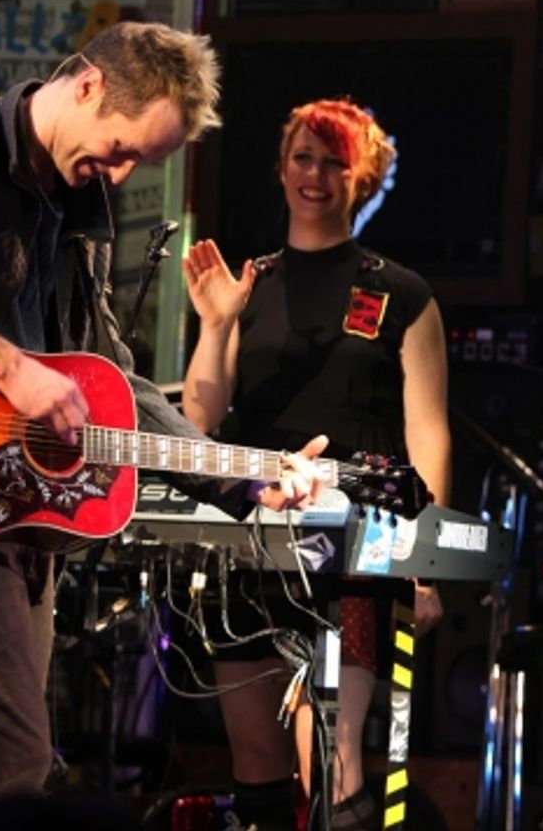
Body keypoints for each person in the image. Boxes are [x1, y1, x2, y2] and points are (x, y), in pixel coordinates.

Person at [0, 22, 327, 831]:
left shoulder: (77, 202)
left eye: (144, 163)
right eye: (124, 149)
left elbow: (105, 375)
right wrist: (7, 367)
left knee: (9, 775)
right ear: (88, 86)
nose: (124, 173)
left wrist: (240, 472)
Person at [181, 97, 452, 831]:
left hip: (361, 544)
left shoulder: (402, 293)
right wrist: (215, 325)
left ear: (363, 177)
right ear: (280, 167)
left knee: (330, 757)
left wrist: (423, 564)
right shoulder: (250, 283)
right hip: (250, 539)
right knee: (255, 765)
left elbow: (428, 432)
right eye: (304, 156)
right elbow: (201, 418)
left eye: (336, 160)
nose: (317, 174)